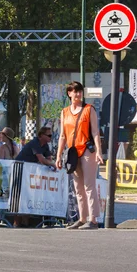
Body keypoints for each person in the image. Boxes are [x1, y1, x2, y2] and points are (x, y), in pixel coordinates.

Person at [56, 81, 103, 230]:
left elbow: (95, 132)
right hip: (73, 152)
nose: (78, 94)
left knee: (89, 185)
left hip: (88, 151)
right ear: (69, 93)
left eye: (80, 91)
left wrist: (99, 151)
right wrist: (58, 156)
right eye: (75, 91)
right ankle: (82, 218)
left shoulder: (89, 110)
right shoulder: (64, 112)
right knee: (78, 187)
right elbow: (62, 136)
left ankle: (93, 219)